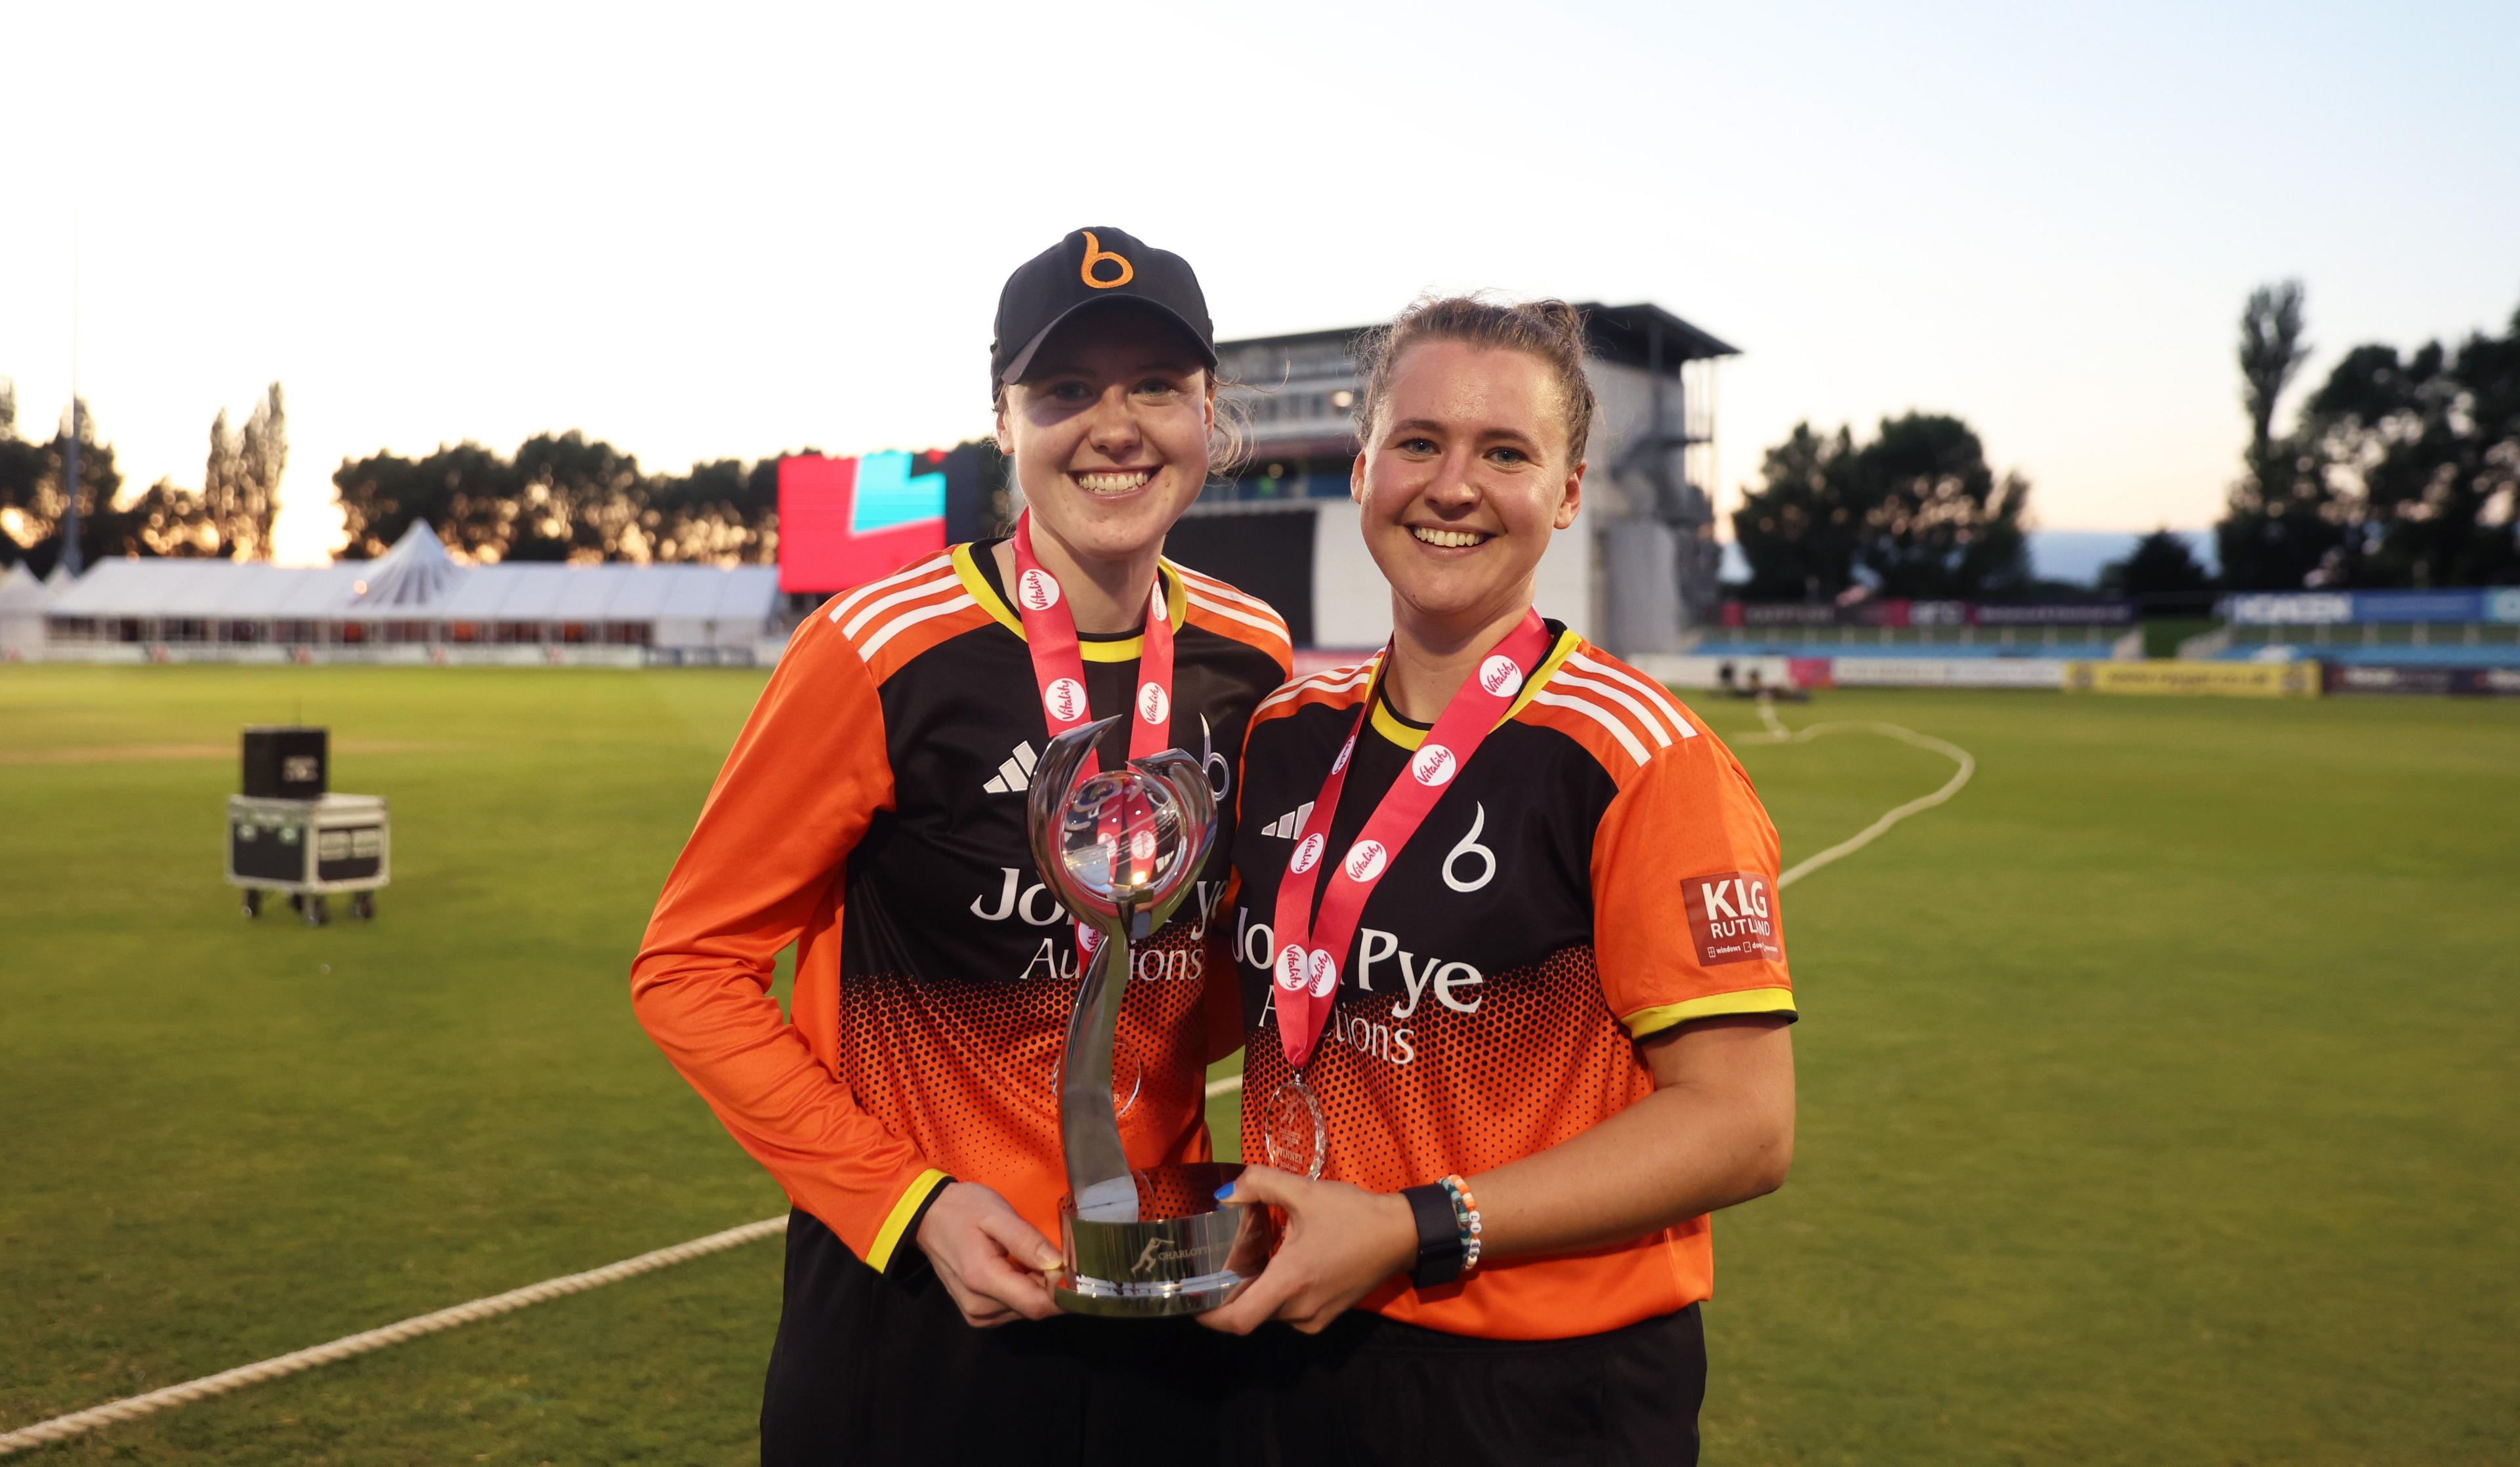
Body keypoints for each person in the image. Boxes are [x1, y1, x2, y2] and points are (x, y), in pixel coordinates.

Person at [630, 226, 1292, 1464]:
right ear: (1003, 420)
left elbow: (1217, 969)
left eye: (1157, 385)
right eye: (1065, 391)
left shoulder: (1252, 654)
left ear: (1211, 415)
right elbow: (689, 971)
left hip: (1162, 1292)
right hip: (916, 1304)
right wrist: (909, 1205)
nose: (1116, 425)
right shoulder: (879, 648)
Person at [1204, 297, 1797, 1465]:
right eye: (1418, 442)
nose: (1452, 486)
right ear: (1364, 464)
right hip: (1288, 1340)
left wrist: (1414, 1227)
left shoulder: (1640, 758)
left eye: (1505, 453)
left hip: (1541, 1387)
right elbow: (1237, 1002)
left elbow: (1744, 1128)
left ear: (1568, 492)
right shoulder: (1284, 731)